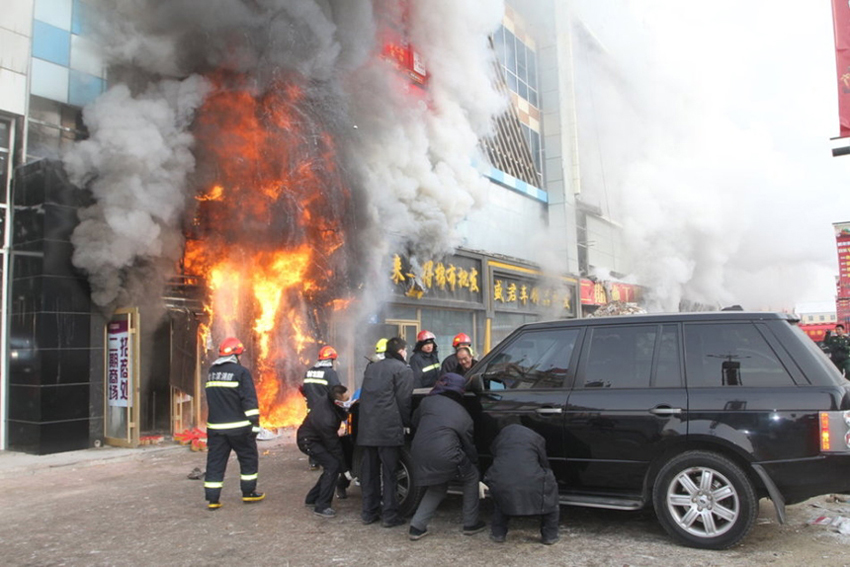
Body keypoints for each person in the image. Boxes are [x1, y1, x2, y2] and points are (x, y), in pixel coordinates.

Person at [408, 373, 486, 540]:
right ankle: (471, 523)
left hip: (418, 451)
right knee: (471, 476)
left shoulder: (427, 402)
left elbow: (414, 422)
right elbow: (469, 446)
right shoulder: (463, 415)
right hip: (446, 454)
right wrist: (475, 465)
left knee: (437, 486)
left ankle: (417, 527)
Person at [357, 337, 414, 528]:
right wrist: (406, 423)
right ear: (400, 351)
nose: (406, 353)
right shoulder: (403, 369)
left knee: (369, 472)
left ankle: (368, 513)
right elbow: (404, 400)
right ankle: (389, 515)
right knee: (389, 473)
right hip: (388, 429)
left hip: (367, 429)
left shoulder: (372, 368)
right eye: (405, 350)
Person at [203, 337, 264, 510]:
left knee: (215, 462)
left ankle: (213, 499)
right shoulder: (240, 372)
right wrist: (255, 425)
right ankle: (248, 493)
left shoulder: (212, 372)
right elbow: (249, 400)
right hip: (239, 428)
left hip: (215, 428)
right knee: (248, 458)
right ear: (237, 355)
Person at [483, 424, 560, 545]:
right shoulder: (537, 438)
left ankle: (498, 534)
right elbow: (544, 461)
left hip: (502, 481)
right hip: (532, 480)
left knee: (500, 503)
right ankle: (550, 536)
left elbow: (495, 456)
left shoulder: (498, 439)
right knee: (551, 505)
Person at [297, 384, 353, 518]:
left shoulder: (329, 400)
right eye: (346, 400)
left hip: (317, 437)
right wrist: (345, 469)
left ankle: (312, 498)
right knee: (332, 466)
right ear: (338, 402)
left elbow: (340, 412)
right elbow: (334, 446)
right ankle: (322, 506)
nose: (348, 401)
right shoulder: (326, 419)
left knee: (331, 465)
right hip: (309, 441)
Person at [301, 345, 341, 471]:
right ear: (331, 360)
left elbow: (305, 390)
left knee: (313, 436)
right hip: (325, 413)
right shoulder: (330, 373)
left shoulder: (309, 371)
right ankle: (329, 462)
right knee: (328, 437)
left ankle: (313, 462)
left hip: (311, 411)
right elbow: (337, 391)